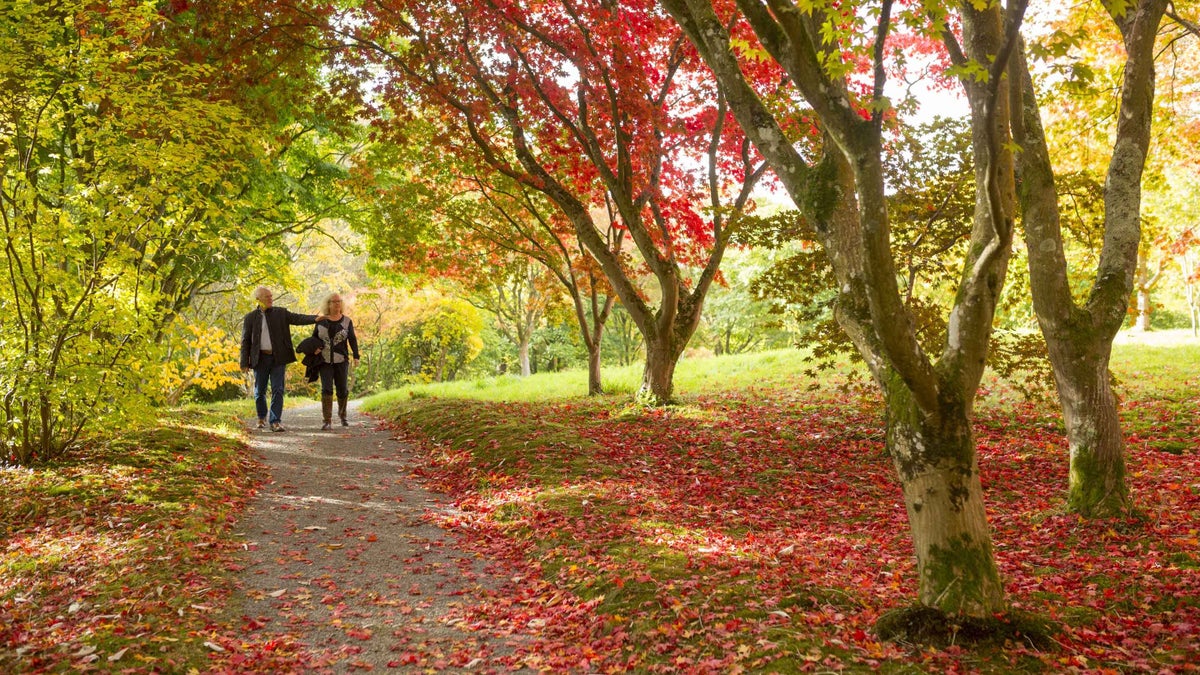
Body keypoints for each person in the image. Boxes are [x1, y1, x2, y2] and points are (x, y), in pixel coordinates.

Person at [240, 286, 324, 432]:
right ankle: (261, 417)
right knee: (260, 391)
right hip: (260, 358)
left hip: (278, 357)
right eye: (267, 297)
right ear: (258, 299)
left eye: (271, 296)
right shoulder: (250, 317)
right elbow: (245, 341)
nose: (271, 299)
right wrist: (244, 362)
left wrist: (315, 319)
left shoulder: (281, 313)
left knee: (278, 389)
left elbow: (297, 318)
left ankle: (275, 421)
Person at [312, 293, 360, 430]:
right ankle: (327, 420)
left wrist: (356, 356)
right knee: (326, 389)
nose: (337, 304)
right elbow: (314, 338)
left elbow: (352, 339)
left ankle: (343, 415)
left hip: (341, 360)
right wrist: (315, 348)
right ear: (328, 304)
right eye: (334, 301)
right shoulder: (321, 320)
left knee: (342, 389)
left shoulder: (347, 321)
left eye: (339, 301)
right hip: (324, 360)